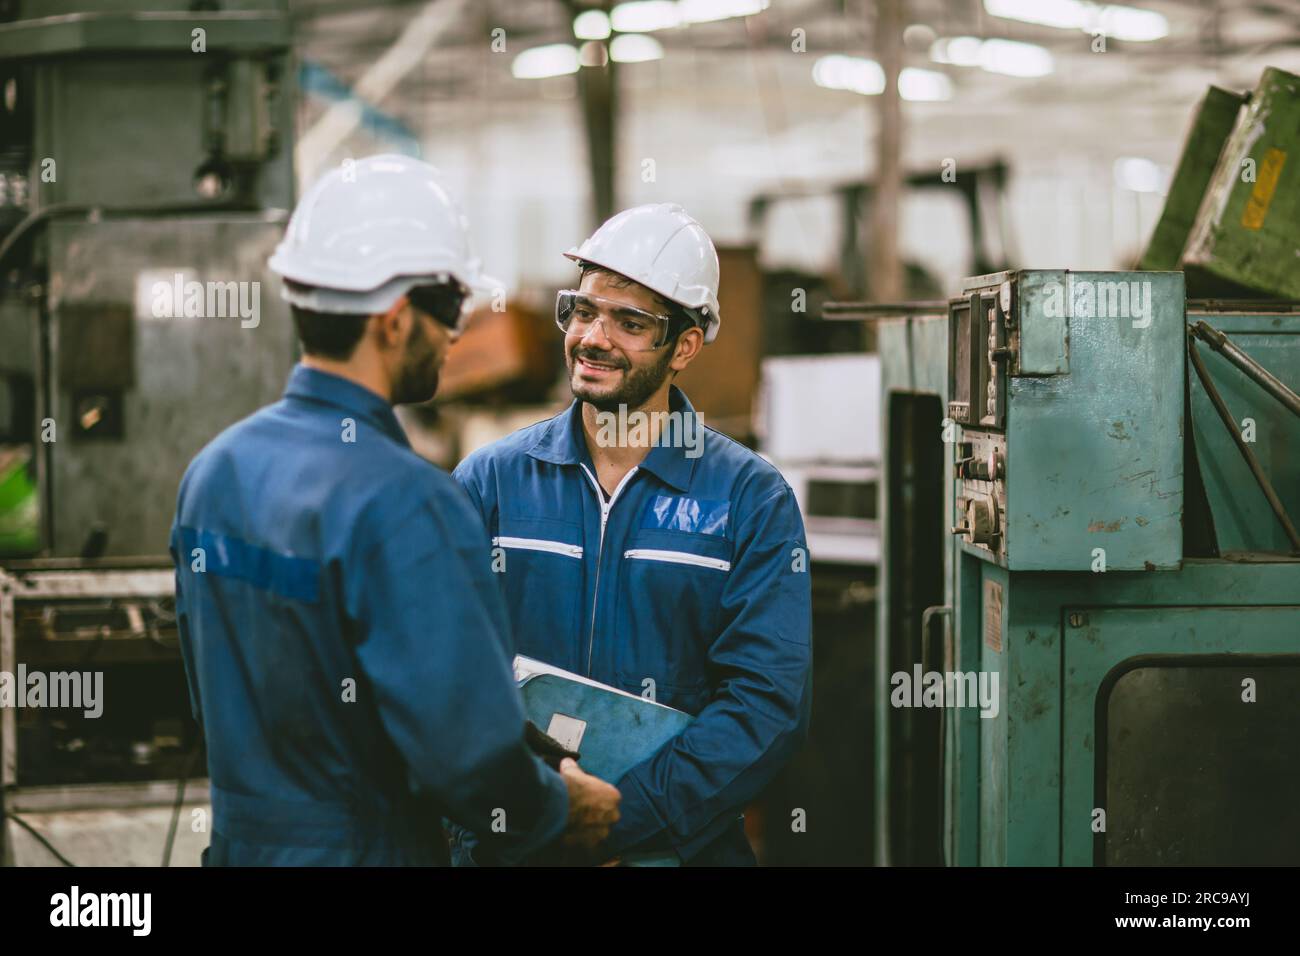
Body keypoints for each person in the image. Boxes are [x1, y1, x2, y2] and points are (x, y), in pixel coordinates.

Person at [170, 154, 619, 866]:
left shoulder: (215, 471)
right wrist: (565, 811)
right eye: (449, 313)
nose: (454, 337)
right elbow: (470, 762)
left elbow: (212, 697)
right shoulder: (410, 504)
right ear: (396, 319)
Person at [453, 203, 812, 866]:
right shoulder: (491, 482)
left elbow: (764, 706)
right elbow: (446, 674)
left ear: (685, 346)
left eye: (630, 322)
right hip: (513, 844)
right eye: (583, 310)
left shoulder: (748, 498)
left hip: (676, 849)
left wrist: (616, 823)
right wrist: (540, 808)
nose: (593, 337)